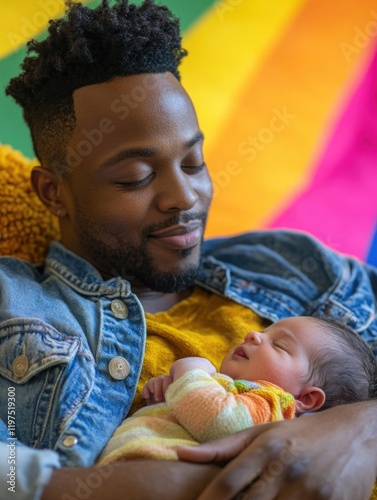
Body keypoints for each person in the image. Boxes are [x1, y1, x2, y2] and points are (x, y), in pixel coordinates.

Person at [0, 0, 376, 499]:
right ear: (53, 192)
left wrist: (360, 429)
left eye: (194, 162)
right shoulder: (15, 307)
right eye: (137, 176)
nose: (184, 198)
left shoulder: (298, 268)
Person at [98, 316, 377, 463]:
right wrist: (166, 394)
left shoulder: (273, 405)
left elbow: (220, 422)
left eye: (279, 345)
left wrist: (190, 371)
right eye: (265, 331)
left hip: (160, 472)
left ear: (305, 398)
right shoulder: (228, 388)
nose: (253, 335)